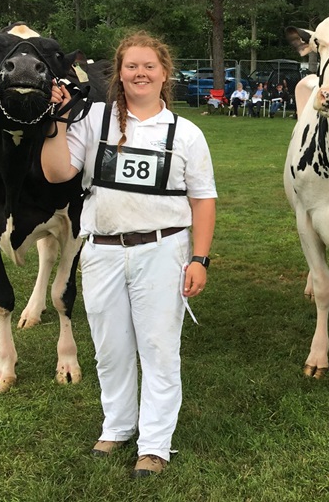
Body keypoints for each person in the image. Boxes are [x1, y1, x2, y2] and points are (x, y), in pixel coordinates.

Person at [41, 32, 217, 478]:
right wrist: (57, 122)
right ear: (118, 73)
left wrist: (200, 258)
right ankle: (117, 425)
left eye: (149, 66)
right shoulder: (94, 120)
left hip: (163, 249)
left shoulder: (186, 133)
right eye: (131, 66)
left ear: (164, 74)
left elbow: (204, 200)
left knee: (158, 348)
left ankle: (155, 443)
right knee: (111, 347)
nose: (140, 73)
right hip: (101, 249)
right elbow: (58, 171)